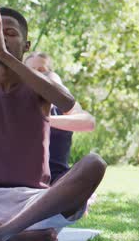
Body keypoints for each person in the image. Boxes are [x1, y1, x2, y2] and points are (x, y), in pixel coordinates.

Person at [0, 6, 106, 241]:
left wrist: (5, 57)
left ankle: (6, 232)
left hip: (33, 205)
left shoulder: (39, 86)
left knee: (94, 164)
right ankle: (14, 235)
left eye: (10, 32)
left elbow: (67, 101)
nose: (1, 37)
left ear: (26, 45)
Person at [25, 52, 96, 184]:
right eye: (30, 71)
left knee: (94, 163)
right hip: (21, 178)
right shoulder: (13, 101)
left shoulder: (63, 105)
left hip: (57, 179)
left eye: (42, 70)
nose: (36, 75)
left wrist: (44, 120)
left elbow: (89, 123)